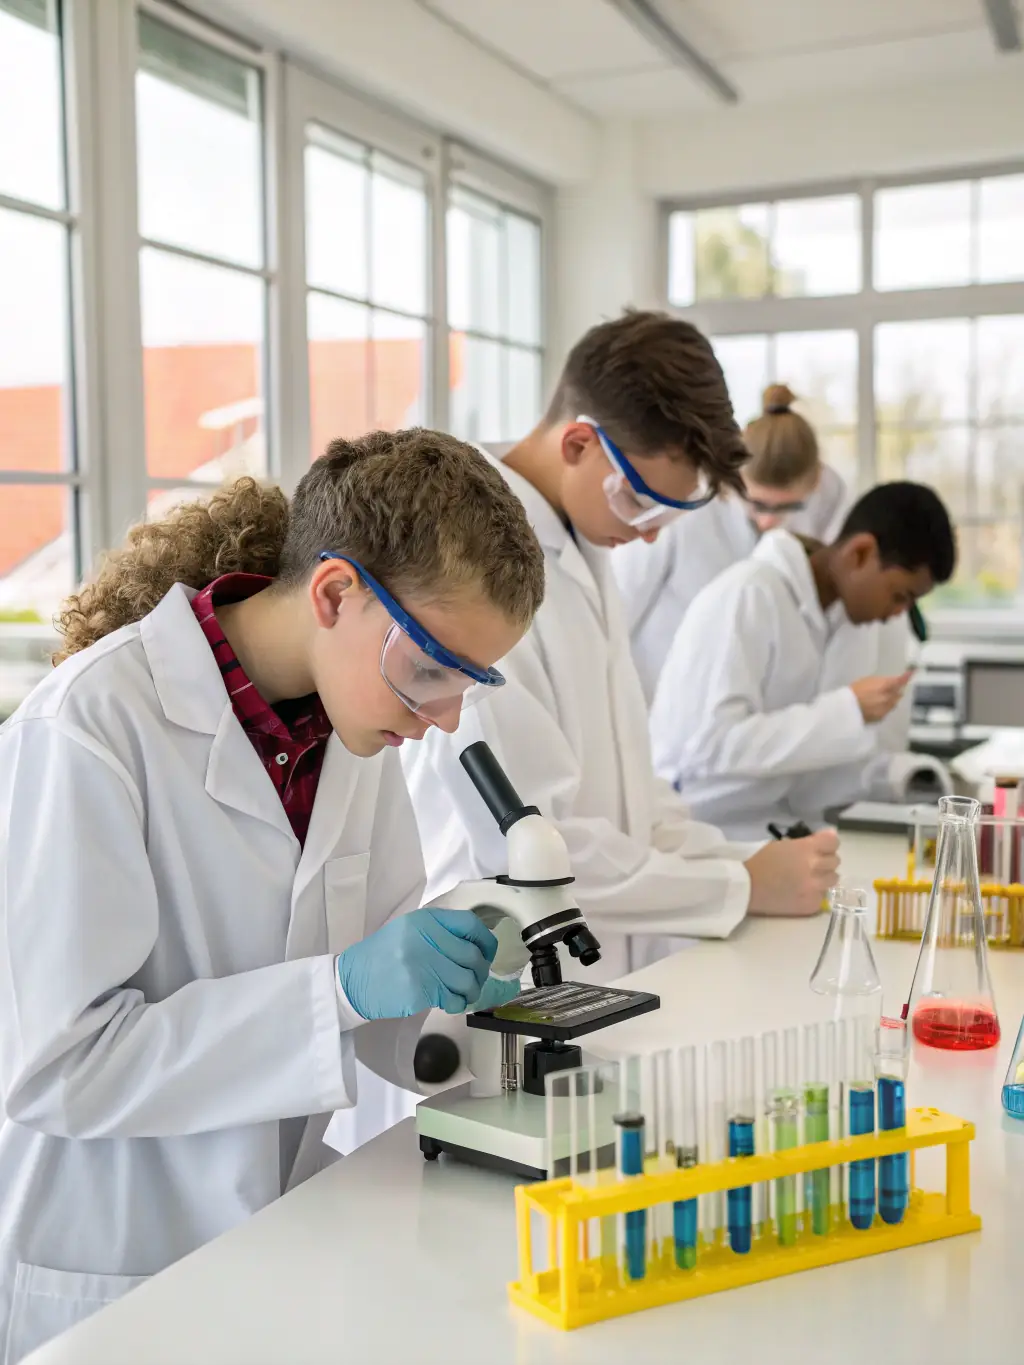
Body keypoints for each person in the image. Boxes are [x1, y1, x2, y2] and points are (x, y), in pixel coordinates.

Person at [0, 429, 544, 1361]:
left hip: (275, 1235)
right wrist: (342, 989)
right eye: (433, 669)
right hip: (103, 1263)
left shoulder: (355, 732)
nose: (449, 716)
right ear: (334, 593)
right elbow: (58, 1064)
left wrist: (444, 1009)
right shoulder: (92, 728)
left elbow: (371, 1001)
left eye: (472, 682)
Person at [403, 311, 840, 984]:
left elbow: (632, 796)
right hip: (504, 969)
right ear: (578, 443)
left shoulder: (582, 544)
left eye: (666, 512)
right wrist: (741, 885)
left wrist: (739, 861)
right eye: (638, 502)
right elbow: (530, 838)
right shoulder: (474, 563)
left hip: (602, 961)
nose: (649, 536)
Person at [650, 482, 955, 842]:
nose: (897, 614)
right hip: (701, 830)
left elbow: (808, 770)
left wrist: (900, 775)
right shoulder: (748, 595)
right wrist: (847, 711)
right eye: (899, 596)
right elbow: (711, 746)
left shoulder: (840, 623)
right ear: (860, 552)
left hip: (772, 826)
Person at [615, 384, 852, 706]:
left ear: (816, 484)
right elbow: (617, 612)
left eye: (787, 508)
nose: (768, 521)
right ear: (732, 477)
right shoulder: (684, 504)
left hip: (753, 709)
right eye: (758, 504)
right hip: (658, 703)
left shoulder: (829, 500)